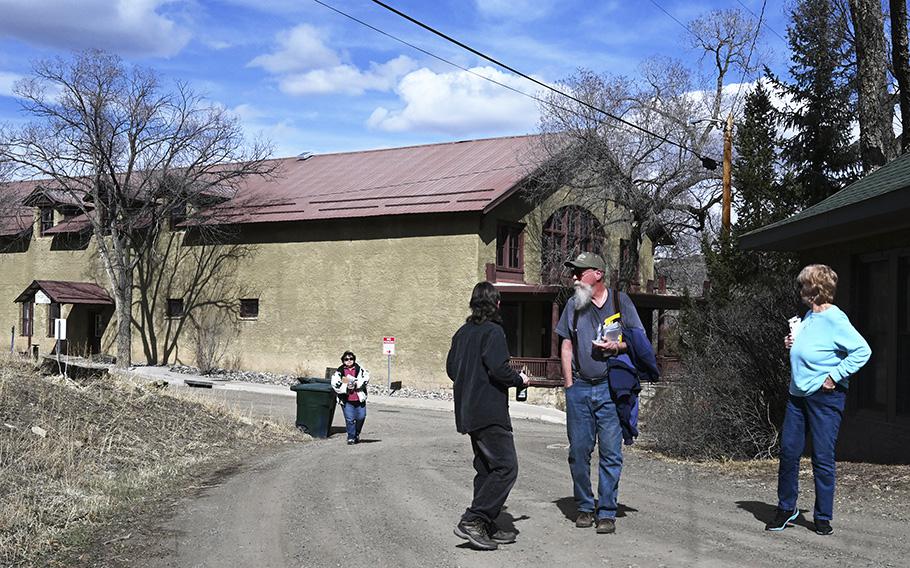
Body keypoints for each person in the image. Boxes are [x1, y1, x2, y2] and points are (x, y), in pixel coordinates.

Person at [767, 264, 871, 535]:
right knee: (789, 452)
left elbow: (862, 351)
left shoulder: (835, 319)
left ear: (815, 288)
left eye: (803, 285)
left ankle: (822, 516)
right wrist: (792, 344)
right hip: (797, 396)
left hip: (825, 397)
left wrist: (834, 376)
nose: (800, 289)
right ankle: (786, 508)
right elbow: (808, 349)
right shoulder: (808, 318)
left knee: (822, 457)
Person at [555, 251, 646, 535]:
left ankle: (606, 511)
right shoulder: (573, 305)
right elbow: (566, 345)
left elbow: (637, 341)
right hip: (579, 387)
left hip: (610, 388)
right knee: (579, 452)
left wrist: (615, 347)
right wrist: (569, 385)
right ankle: (584, 506)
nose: (573, 278)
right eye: (573, 272)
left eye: (579, 272)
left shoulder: (622, 302)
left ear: (597, 274)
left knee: (610, 453)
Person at [446, 281, 531, 551]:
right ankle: (474, 519)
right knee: (506, 467)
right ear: (497, 304)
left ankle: (485, 525)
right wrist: (520, 379)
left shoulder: (461, 333)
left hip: (467, 411)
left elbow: (451, 369)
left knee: (485, 469)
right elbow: (499, 370)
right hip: (489, 411)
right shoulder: (494, 332)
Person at [330, 351, 370, 445]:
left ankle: (356, 433)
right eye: (346, 359)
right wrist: (346, 387)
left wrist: (356, 384)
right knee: (350, 419)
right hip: (346, 399)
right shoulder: (339, 371)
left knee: (361, 417)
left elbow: (366, 378)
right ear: (343, 360)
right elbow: (335, 384)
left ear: (354, 360)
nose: (349, 361)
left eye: (351, 359)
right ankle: (351, 437)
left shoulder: (360, 370)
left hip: (359, 398)